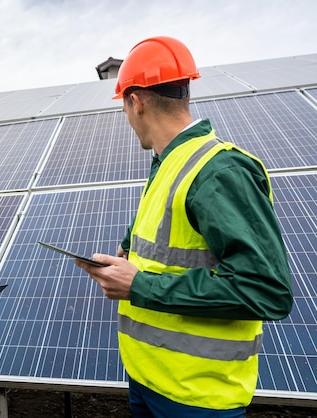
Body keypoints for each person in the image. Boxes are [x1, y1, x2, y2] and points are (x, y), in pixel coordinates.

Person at [75, 36, 293, 417]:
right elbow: (169, 252)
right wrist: (126, 259)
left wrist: (138, 284)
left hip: (197, 396)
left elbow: (266, 290)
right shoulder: (167, 165)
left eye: (124, 108)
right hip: (148, 378)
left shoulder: (218, 171)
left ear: (135, 101)